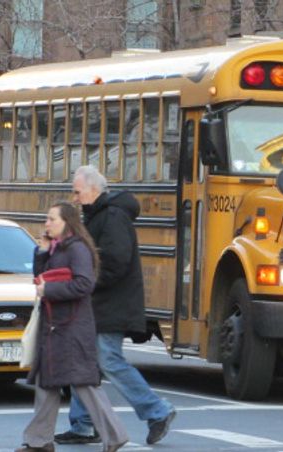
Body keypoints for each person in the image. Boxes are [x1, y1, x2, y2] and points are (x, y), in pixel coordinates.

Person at [54, 165, 176, 446]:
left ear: (94, 189)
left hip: (110, 304)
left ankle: (157, 410)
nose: (74, 198)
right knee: (85, 360)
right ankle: (84, 424)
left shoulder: (111, 217)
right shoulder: (99, 216)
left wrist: (85, 282)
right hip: (101, 303)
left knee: (107, 359)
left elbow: (114, 262)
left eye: (77, 191)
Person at [16, 201, 128, 452]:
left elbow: (84, 284)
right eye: (47, 219)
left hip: (72, 327)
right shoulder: (57, 248)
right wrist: (42, 252)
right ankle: (39, 440)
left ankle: (115, 435)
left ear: (67, 222)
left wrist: (50, 290)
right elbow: (41, 277)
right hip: (54, 326)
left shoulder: (77, 249)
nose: (47, 224)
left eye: (51, 219)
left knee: (83, 382)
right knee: (47, 383)